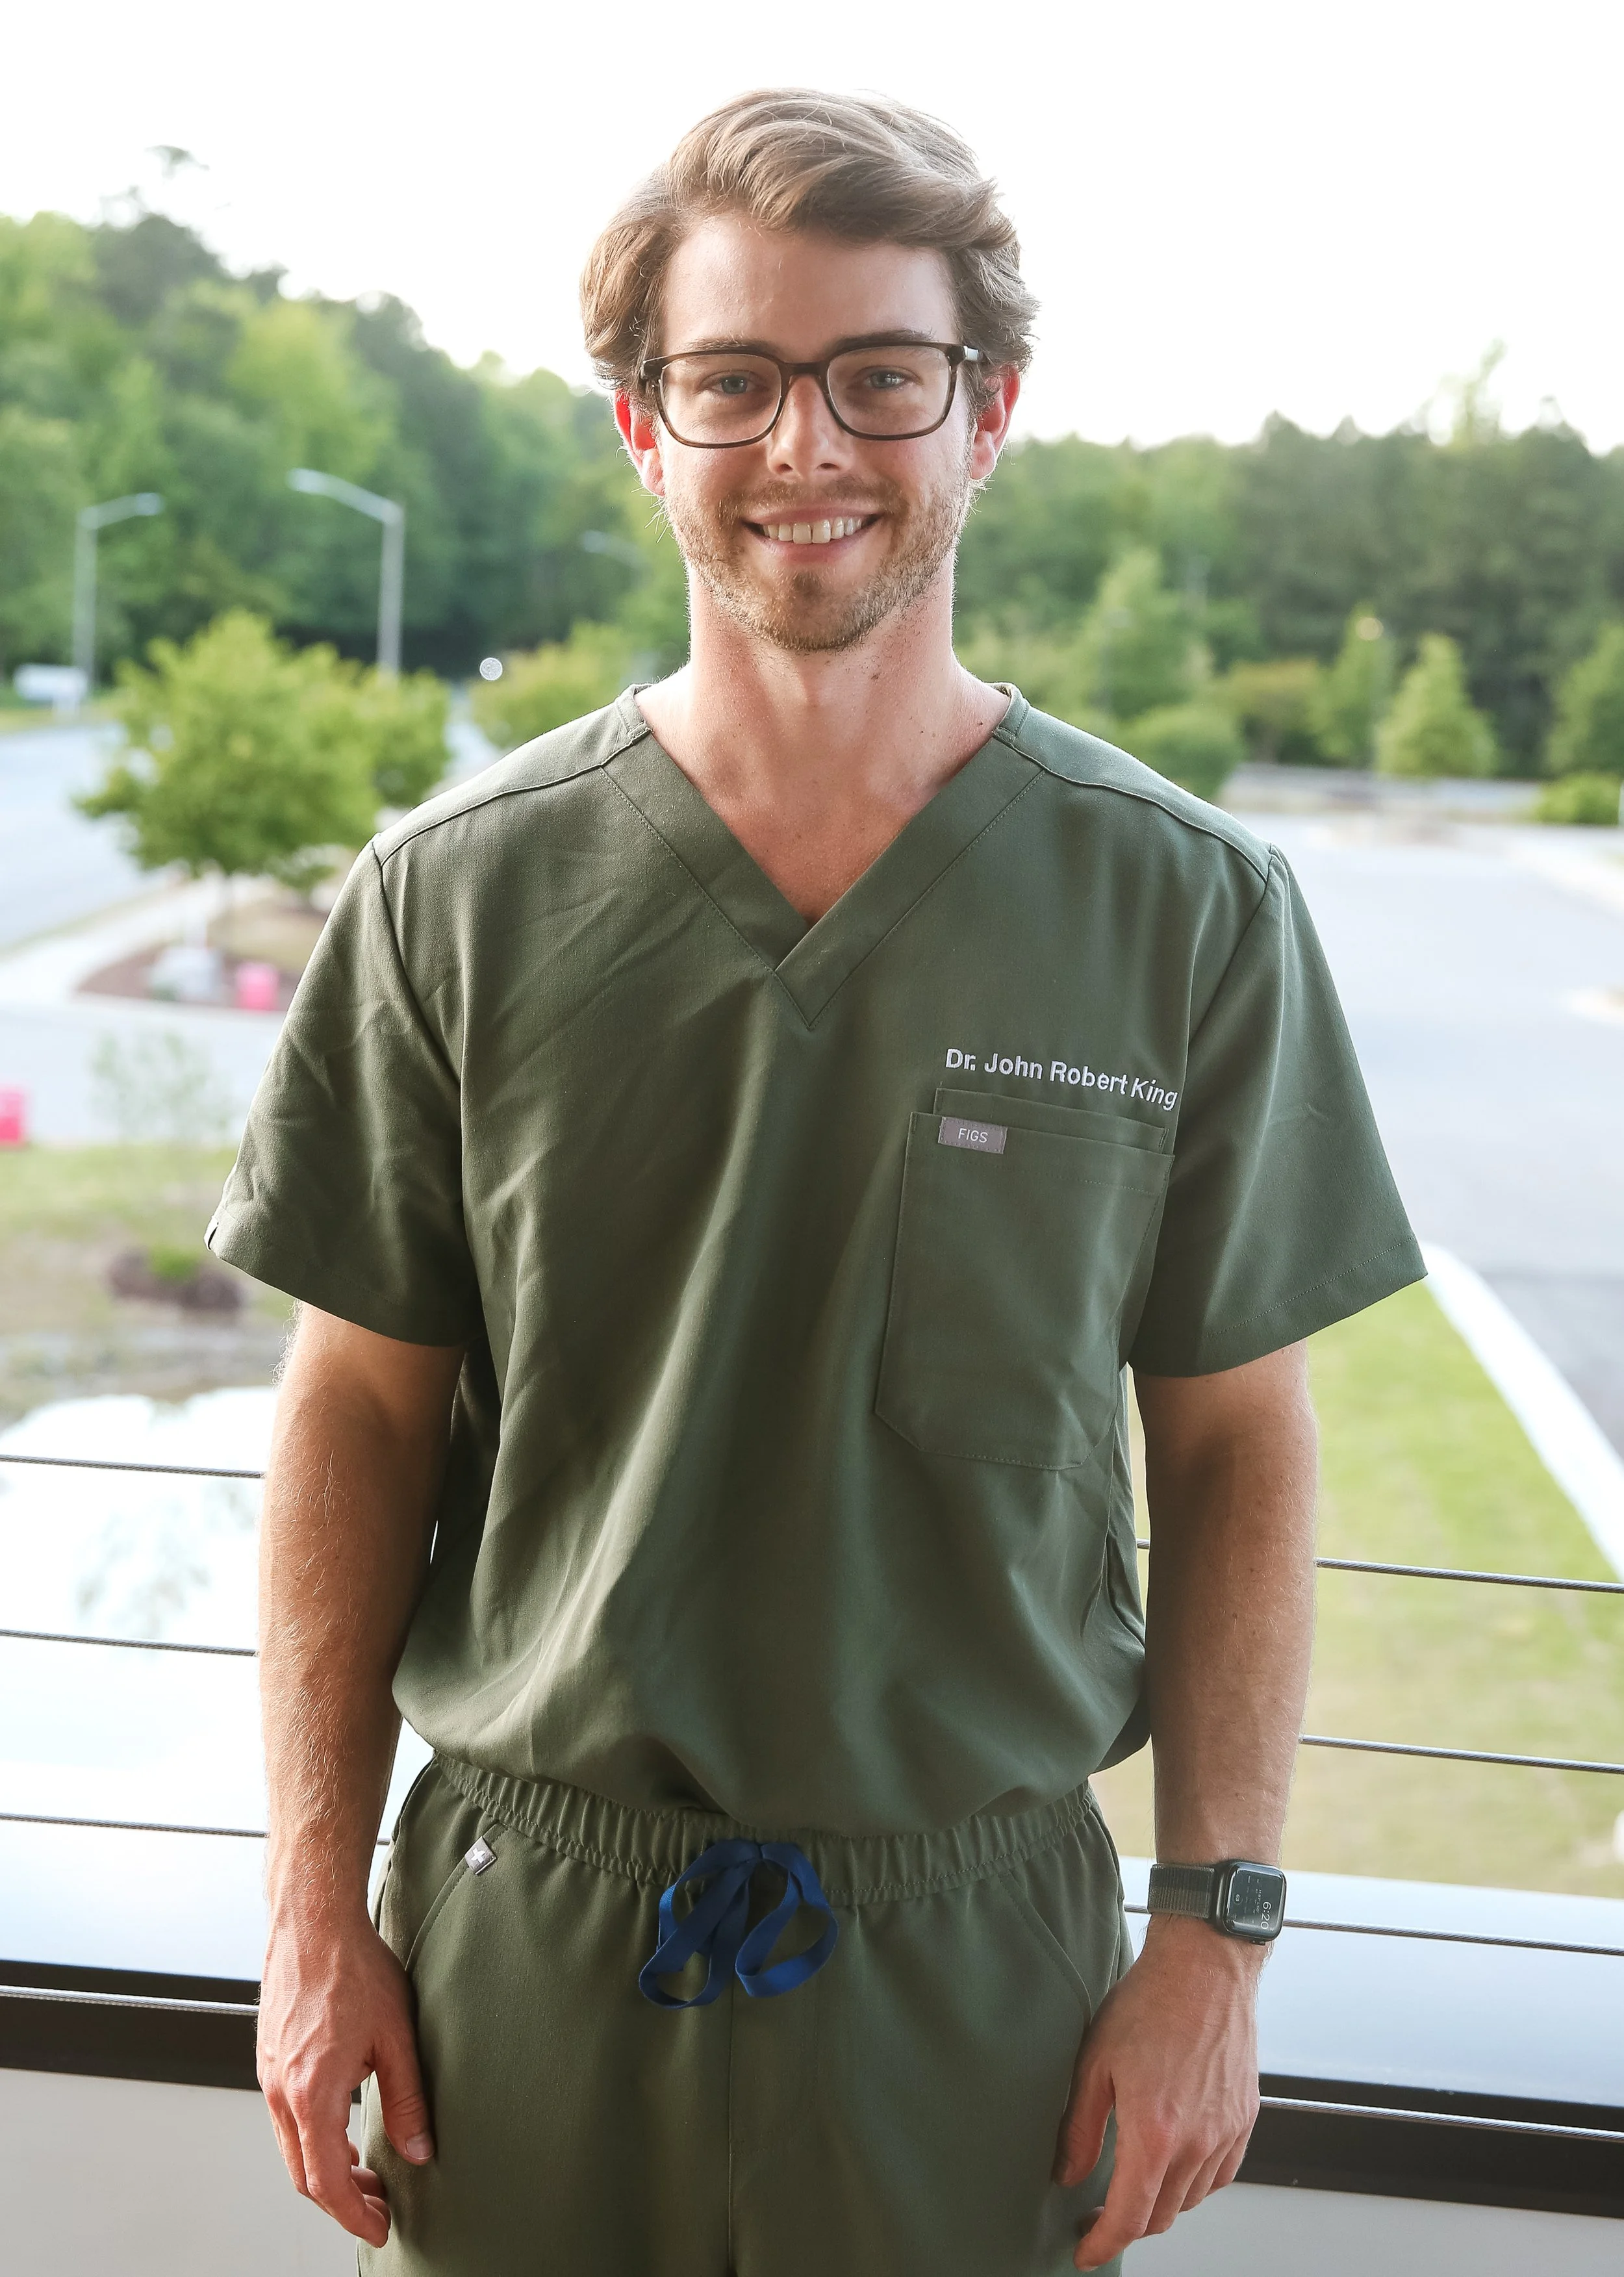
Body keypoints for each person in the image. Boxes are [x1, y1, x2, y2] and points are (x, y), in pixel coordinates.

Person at [211, 88, 1423, 2277]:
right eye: (733, 380)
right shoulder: (454, 902)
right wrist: (308, 1905)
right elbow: (354, 1418)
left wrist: (1215, 1944)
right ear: (640, 429)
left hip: (979, 1969)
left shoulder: (1180, 912)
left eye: (881, 375)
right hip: (523, 1946)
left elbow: (1237, 1448)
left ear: (988, 415)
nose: (807, 449)